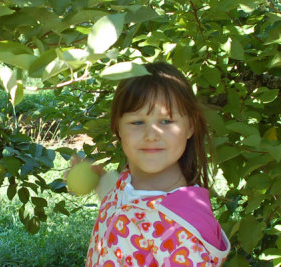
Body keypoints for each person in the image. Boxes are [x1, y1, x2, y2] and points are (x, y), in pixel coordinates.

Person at [77, 62, 230, 266]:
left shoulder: (183, 229)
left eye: (166, 121)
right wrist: (99, 178)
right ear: (117, 128)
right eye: (137, 122)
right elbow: (124, 201)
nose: (151, 135)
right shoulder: (127, 183)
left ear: (190, 126)